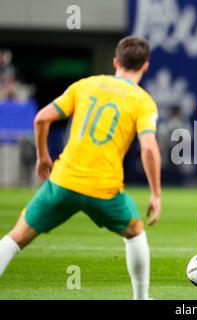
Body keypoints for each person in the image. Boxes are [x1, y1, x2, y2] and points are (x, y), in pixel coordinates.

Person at [0, 36, 161, 300]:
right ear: (145, 67)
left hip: (63, 182)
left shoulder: (86, 85)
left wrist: (43, 157)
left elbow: (41, 118)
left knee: (15, 237)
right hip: (104, 190)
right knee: (135, 232)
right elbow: (149, 149)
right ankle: (141, 298)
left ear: (115, 61)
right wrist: (155, 193)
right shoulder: (143, 101)